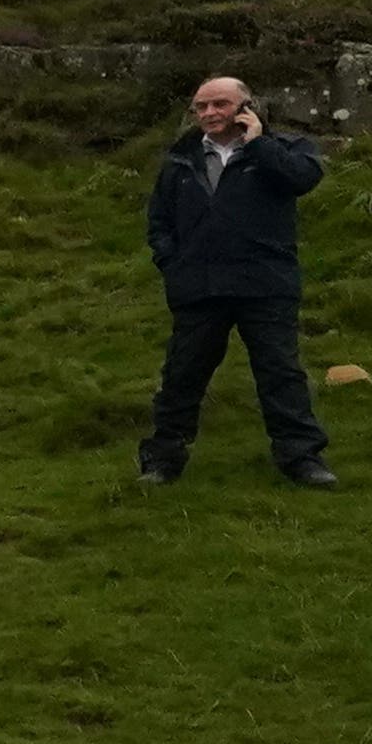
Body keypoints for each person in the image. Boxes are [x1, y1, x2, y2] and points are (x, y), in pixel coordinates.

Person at [139, 70, 333, 487]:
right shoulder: (180, 158)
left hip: (265, 284)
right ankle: (162, 460)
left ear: (247, 107)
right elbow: (159, 221)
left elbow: (303, 179)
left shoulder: (281, 149)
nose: (209, 113)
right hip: (199, 287)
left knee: (280, 372)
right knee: (181, 375)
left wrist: (258, 142)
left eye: (220, 104)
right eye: (201, 106)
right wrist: (173, 263)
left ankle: (302, 459)